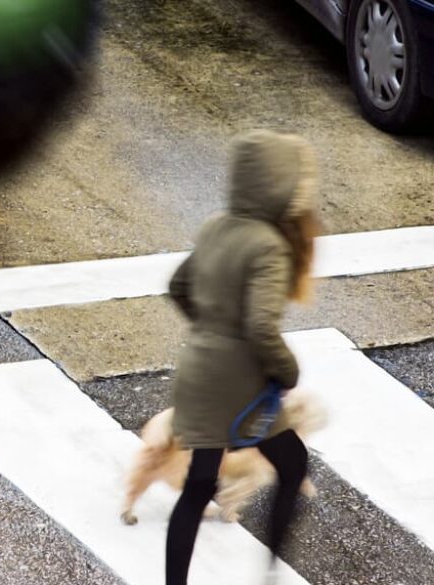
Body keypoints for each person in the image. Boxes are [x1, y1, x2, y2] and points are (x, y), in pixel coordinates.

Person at [165, 129, 319, 585]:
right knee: (292, 464)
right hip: (239, 380)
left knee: (198, 484)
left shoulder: (217, 225)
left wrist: (208, 329)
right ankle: (271, 570)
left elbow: (177, 286)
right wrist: (287, 369)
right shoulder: (270, 244)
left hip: (197, 368)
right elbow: (259, 327)